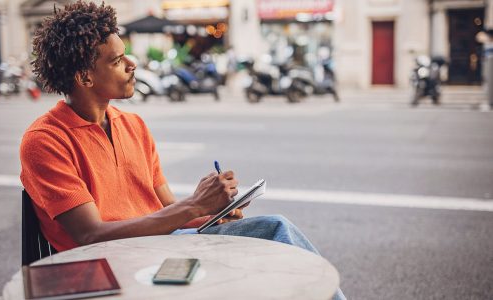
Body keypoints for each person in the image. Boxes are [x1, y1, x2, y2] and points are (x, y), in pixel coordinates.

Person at [19, 2, 345, 299]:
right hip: (109, 266)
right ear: (84, 77)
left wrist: (210, 213)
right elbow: (91, 235)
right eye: (118, 61)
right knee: (273, 232)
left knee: (272, 229)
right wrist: (193, 206)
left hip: (160, 247)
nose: (132, 65)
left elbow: (167, 209)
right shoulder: (45, 140)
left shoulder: (133, 125)